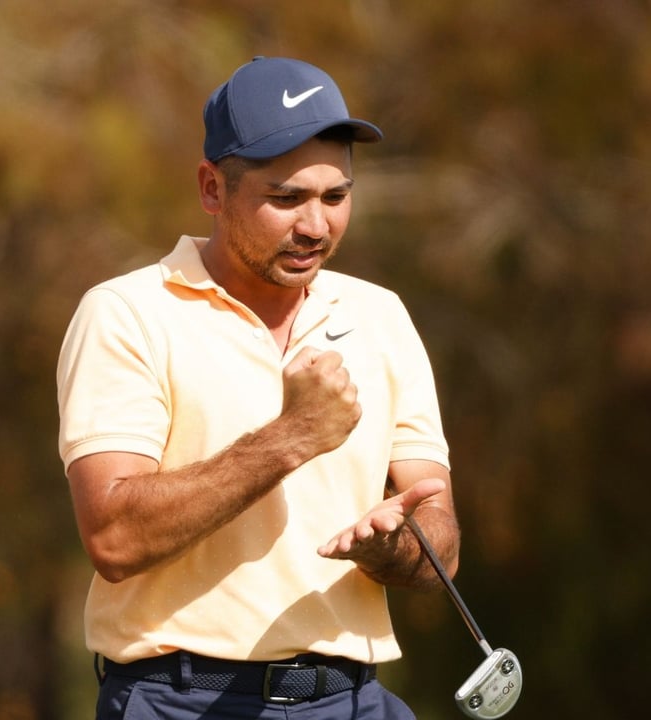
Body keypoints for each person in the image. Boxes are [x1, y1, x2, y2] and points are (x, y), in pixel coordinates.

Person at [56, 56, 460, 719]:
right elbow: (114, 539)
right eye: (287, 198)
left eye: (335, 197)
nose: (316, 226)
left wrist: (392, 549)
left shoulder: (380, 315)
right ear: (212, 188)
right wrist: (290, 438)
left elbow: (440, 539)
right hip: (182, 702)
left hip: (355, 700)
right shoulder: (126, 313)